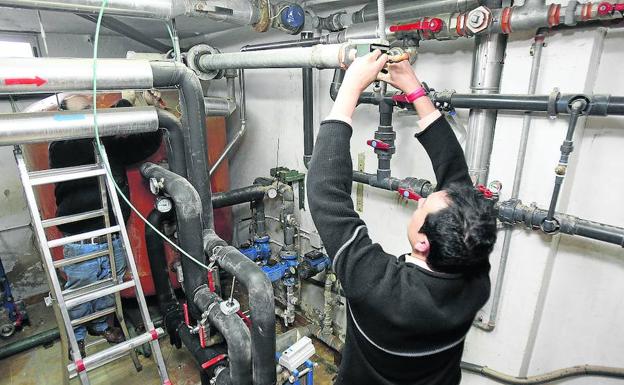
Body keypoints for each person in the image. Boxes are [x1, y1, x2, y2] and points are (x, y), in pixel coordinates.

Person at [306, 51, 497, 385]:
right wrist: (414, 89)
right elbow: (458, 186)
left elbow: (326, 194)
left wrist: (350, 89)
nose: (421, 200)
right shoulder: (474, 276)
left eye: (422, 206)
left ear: (423, 241)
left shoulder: (378, 287)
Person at [49, 96, 163, 358]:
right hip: (82, 239)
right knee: (81, 290)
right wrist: (123, 107)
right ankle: (76, 336)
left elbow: (144, 144)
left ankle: (101, 325)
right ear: (64, 115)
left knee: (110, 284)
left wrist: (147, 112)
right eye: (85, 109)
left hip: (113, 232)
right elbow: (83, 144)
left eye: (93, 108)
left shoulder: (105, 143)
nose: (93, 113)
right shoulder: (61, 145)